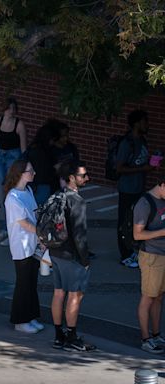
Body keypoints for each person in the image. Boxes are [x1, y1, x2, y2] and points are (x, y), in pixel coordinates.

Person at [49, 160, 96, 352]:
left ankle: (59, 336)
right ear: (71, 178)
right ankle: (72, 337)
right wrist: (85, 260)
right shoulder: (76, 200)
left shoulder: (57, 196)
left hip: (55, 252)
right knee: (75, 295)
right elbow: (79, 235)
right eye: (83, 175)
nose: (87, 178)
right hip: (71, 256)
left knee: (59, 293)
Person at [4, 159, 44, 334]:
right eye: (30, 171)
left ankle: (30, 316)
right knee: (23, 283)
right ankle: (20, 321)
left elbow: (34, 216)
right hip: (22, 247)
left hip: (33, 244)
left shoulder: (27, 190)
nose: (33, 173)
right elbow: (25, 224)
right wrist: (43, 234)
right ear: (20, 174)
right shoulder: (12, 198)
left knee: (31, 283)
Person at [117, 110, 156, 268]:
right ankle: (125, 255)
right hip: (127, 189)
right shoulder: (127, 143)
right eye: (144, 121)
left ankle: (134, 250)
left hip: (139, 188)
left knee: (138, 221)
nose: (147, 124)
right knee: (125, 221)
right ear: (136, 124)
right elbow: (119, 168)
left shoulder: (142, 140)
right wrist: (142, 169)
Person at [133, 176, 165, 354]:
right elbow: (137, 235)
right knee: (148, 298)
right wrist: (162, 232)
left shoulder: (162, 199)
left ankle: (156, 334)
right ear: (162, 185)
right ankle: (146, 339)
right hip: (151, 257)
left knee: (158, 297)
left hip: (162, 256)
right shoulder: (145, 204)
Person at [0, 97, 27, 181]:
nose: (11, 111)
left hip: (14, 155)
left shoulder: (19, 125)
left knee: (10, 181)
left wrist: (24, 165)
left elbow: (23, 148)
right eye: (8, 108)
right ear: (4, 109)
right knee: (1, 181)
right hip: (1, 155)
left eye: (13, 108)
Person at [27, 119, 61, 205]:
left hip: (35, 185)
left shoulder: (32, 149)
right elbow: (46, 171)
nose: (53, 143)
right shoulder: (44, 152)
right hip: (43, 185)